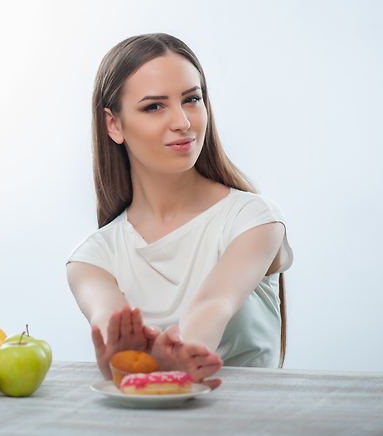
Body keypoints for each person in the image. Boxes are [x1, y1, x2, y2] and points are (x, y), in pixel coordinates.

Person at [66, 33, 293, 390]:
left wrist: (184, 351)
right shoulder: (91, 259)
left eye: (191, 99)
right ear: (114, 124)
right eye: (154, 106)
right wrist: (119, 354)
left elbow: (214, 303)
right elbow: (109, 323)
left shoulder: (254, 219)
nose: (183, 122)